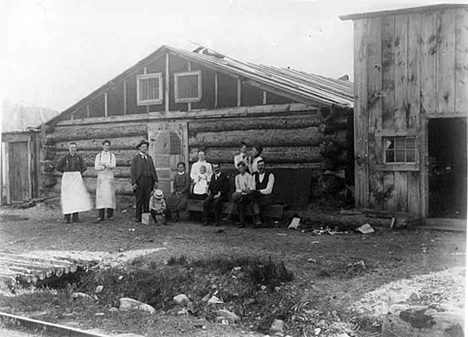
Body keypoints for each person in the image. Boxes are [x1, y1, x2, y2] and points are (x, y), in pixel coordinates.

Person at [56, 142, 92, 223]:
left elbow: (84, 167)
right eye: (71, 148)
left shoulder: (79, 157)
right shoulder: (65, 158)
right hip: (67, 178)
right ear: (69, 148)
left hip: (76, 178)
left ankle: (76, 217)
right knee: (67, 197)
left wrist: (78, 173)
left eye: (74, 148)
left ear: (76, 149)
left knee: (76, 197)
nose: (73, 149)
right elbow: (58, 167)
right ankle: (67, 217)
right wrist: (65, 172)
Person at [130, 140, 158, 223]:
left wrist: (155, 180)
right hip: (140, 180)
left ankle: (146, 217)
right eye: (143, 147)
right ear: (139, 148)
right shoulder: (136, 159)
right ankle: (138, 217)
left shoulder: (149, 158)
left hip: (148, 180)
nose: (145, 148)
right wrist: (134, 183)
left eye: (146, 147)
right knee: (139, 199)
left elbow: (153, 169)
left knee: (147, 198)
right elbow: (133, 172)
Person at [94, 140, 116, 222]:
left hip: (109, 178)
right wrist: (103, 167)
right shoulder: (98, 156)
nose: (106, 147)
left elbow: (113, 165)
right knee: (101, 196)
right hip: (101, 179)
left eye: (108, 145)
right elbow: (96, 167)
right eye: (105, 145)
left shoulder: (112, 156)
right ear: (102, 146)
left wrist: (105, 164)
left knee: (110, 196)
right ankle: (101, 215)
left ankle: (110, 215)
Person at [251, 159, 275, 228]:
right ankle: (257, 220)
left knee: (256, 199)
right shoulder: (255, 176)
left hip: (267, 196)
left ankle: (258, 219)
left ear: (265, 166)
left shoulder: (270, 175)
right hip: (257, 196)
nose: (260, 167)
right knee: (254, 197)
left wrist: (259, 191)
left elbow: (269, 190)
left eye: (262, 165)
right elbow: (253, 187)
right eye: (259, 166)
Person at [233, 161, 254, 228]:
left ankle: (236, 219)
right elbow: (237, 188)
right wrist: (243, 190)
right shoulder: (237, 177)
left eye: (242, 168)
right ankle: (240, 221)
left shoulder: (249, 176)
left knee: (240, 201)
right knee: (238, 200)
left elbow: (249, 189)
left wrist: (243, 190)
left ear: (245, 168)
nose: (240, 169)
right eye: (239, 168)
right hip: (240, 194)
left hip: (248, 195)